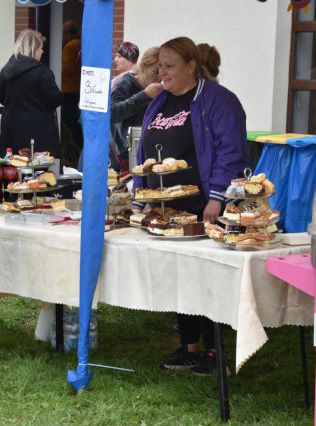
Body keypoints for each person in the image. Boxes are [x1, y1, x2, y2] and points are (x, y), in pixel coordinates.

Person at [132, 37, 247, 375]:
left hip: (202, 206)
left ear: (191, 67)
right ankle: (189, 347)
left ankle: (214, 351)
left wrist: (216, 197)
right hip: (166, 209)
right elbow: (145, 154)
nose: (162, 72)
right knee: (180, 278)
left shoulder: (218, 101)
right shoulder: (161, 100)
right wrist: (142, 192)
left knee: (205, 278)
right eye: (160, 66)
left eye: (169, 66)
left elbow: (231, 152)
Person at [0, 29, 62, 159]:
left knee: (13, 175)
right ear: (33, 49)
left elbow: (2, 98)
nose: (42, 51)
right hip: (38, 137)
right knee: (38, 176)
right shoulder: (42, 72)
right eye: (40, 48)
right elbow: (54, 99)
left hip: (10, 133)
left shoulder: (6, 70)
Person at [109, 46, 163, 171]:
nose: (157, 79)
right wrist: (145, 95)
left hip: (148, 151)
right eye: (155, 72)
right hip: (123, 154)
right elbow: (112, 112)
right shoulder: (126, 83)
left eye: (161, 76)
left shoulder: (160, 90)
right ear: (144, 66)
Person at [61, 21, 83, 161]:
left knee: (70, 123)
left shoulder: (70, 46)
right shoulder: (80, 43)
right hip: (77, 88)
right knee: (76, 122)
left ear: (66, 33)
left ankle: (72, 151)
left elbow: (66, 68)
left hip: (68, 89)